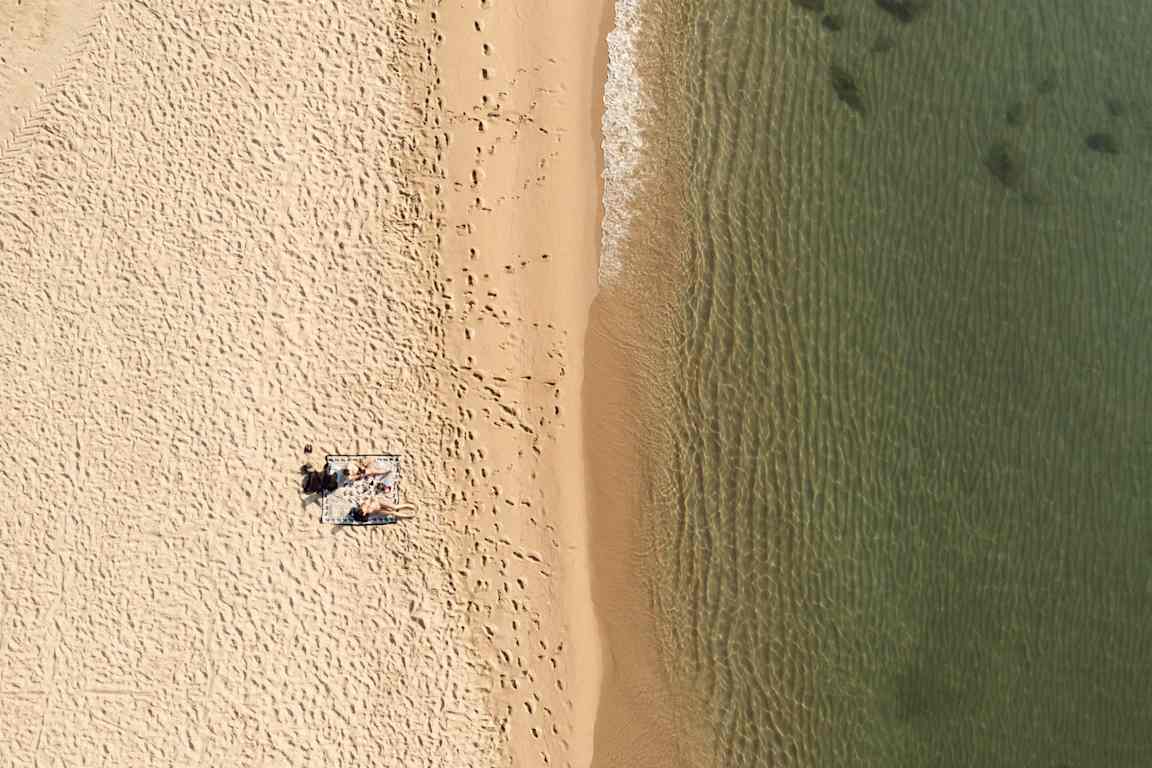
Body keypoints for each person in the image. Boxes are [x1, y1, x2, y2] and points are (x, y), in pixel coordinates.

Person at [348, 497, 416, 523]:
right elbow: (364, 519)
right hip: (379, 510)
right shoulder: (364, 513)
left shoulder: (363, 505)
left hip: (379, 503)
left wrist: (373, 500)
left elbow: (371, 498)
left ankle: (409, 506)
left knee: (394, 507)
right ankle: (408, 515)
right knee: (392, 512)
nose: (363, 512)